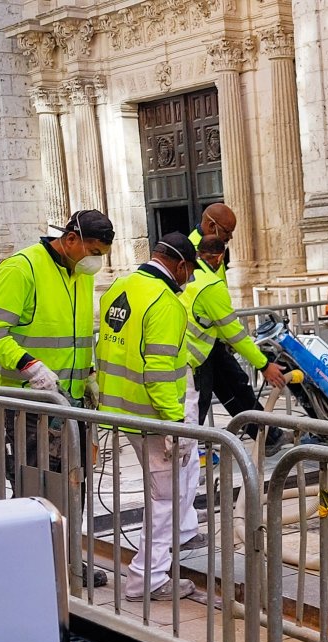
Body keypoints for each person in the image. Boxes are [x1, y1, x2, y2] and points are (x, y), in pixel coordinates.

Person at [0, 209, 113, 586]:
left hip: (70, 403)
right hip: (29, 405)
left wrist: (87, 376)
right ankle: (35, 566)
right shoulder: (22, 268)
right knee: (36, 488)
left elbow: (76, 334)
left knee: (73, 482)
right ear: (70, 238)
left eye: (102, 254)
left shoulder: (79, 275)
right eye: (93, 251)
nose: (96, 261)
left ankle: (68, 559)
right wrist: (29, 365)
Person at [96, 231, 197, 601]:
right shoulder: (166, 303)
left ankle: (157, 566)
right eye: (190, 272)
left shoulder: (118, 289)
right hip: (155, 420)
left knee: (169, 493)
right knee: (166, 500)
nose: (190, 280)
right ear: (181, 265)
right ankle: (147, 580)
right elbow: (156, 371)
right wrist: (177, 424)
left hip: (123, 412)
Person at [188, 204, 285, 447]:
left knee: (235, 386)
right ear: (212, 226)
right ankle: (187, 453)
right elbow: (234, 330)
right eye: (227, 232)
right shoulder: (195, 256)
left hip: (211, 337)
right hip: (200, 344)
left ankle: (268, 436)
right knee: (202, 399)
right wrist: (263, 364)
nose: (230, 238)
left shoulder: (206, 252)